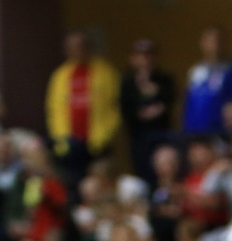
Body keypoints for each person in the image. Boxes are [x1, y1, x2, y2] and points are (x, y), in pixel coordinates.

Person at [45, 31, 121, 190]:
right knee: (73, 185)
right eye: (71, 48)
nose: (76, 52)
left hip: (98, 142)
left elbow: (115, 106)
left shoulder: (105, 72)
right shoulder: (60, 75)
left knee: (99, 185)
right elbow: (54, 109)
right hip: (70, 144)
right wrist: (61, 138)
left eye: (79, 47)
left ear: (89, 48)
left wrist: (105, 134)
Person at [121, 40, 177, 178]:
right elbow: (125, 108)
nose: (145, 60)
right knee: (143, 173)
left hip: (162, 135)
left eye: (148, 55)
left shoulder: (164, 79)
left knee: (165, 169)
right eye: (140, 55)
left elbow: (170, 99)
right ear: (133, 58)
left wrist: (154, 89)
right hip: (139, 138)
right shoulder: (127, 83)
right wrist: (141, 113)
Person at [183, 27, 232, 136]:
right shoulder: (195, 70)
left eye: (218, 40)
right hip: (193, 131)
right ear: (202, 43)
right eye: (210, 40)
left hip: (219, 132)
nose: (215, 44)